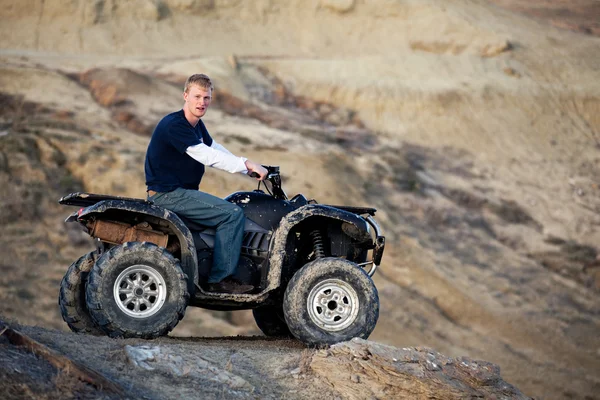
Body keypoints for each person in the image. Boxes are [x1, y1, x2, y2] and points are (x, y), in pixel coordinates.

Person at [144, 73, 268, 294]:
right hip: (168, 194)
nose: (202, 103)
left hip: (178, 192)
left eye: (206, 98)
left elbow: (214, 148)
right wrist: (245, 163)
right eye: (197, 96)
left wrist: (246, 167)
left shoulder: (196, 126)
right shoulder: (176, 125)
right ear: (185, 95)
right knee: (232, 214)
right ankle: (220, 280)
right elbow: (205, 156)